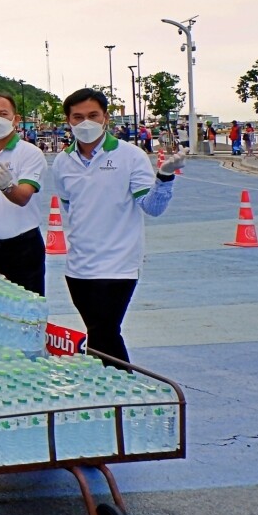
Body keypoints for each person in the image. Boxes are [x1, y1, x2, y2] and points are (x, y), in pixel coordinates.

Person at [53, 88, 184, 363]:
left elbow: (152, 208)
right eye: (77, 117)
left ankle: (125, 395)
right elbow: (70, 206)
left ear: (105, 118)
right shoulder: (63, 162)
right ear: (68, 120)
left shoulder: (130, 156)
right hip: (78, 265)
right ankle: (108, 393)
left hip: (119, 264)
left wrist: (165, 178)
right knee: (99, 332)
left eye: (92, 115)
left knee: (105, 330)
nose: (85, 123)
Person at [0, 93, 47, 295]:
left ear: (16, 119)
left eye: (3, 114)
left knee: (25, 312)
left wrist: (8, 187)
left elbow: (23, 197)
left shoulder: (29, 153)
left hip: (21, 248)